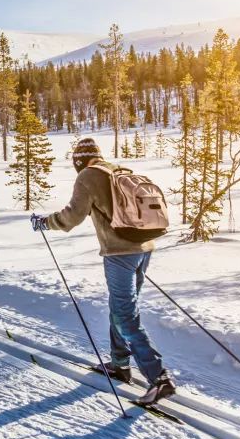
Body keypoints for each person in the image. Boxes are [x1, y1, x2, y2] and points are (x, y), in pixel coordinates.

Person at [31, 137, 176, 405]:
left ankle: (159, 378)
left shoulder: (88, 176)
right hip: (143, 249)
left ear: (78, 161)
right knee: (120, 308)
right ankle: (120, 364)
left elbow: (72, 217)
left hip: (120, 253)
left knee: (124, 314)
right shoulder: (118, 170)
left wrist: (44, 223)